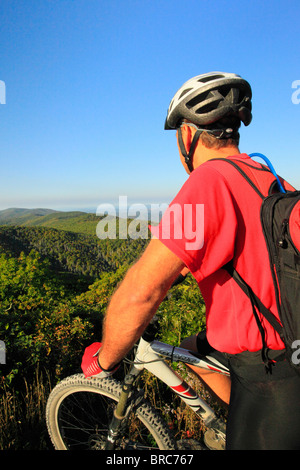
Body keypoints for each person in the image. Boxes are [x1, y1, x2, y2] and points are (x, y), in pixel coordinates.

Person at [81, 72, 300, 450]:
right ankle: (228, 419)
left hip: (271, 377)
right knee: (192, 351)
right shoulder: (272, 178)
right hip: (288, 344)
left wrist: (104, 359)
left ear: (187, 135)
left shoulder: (209, 180)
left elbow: (142, 293)